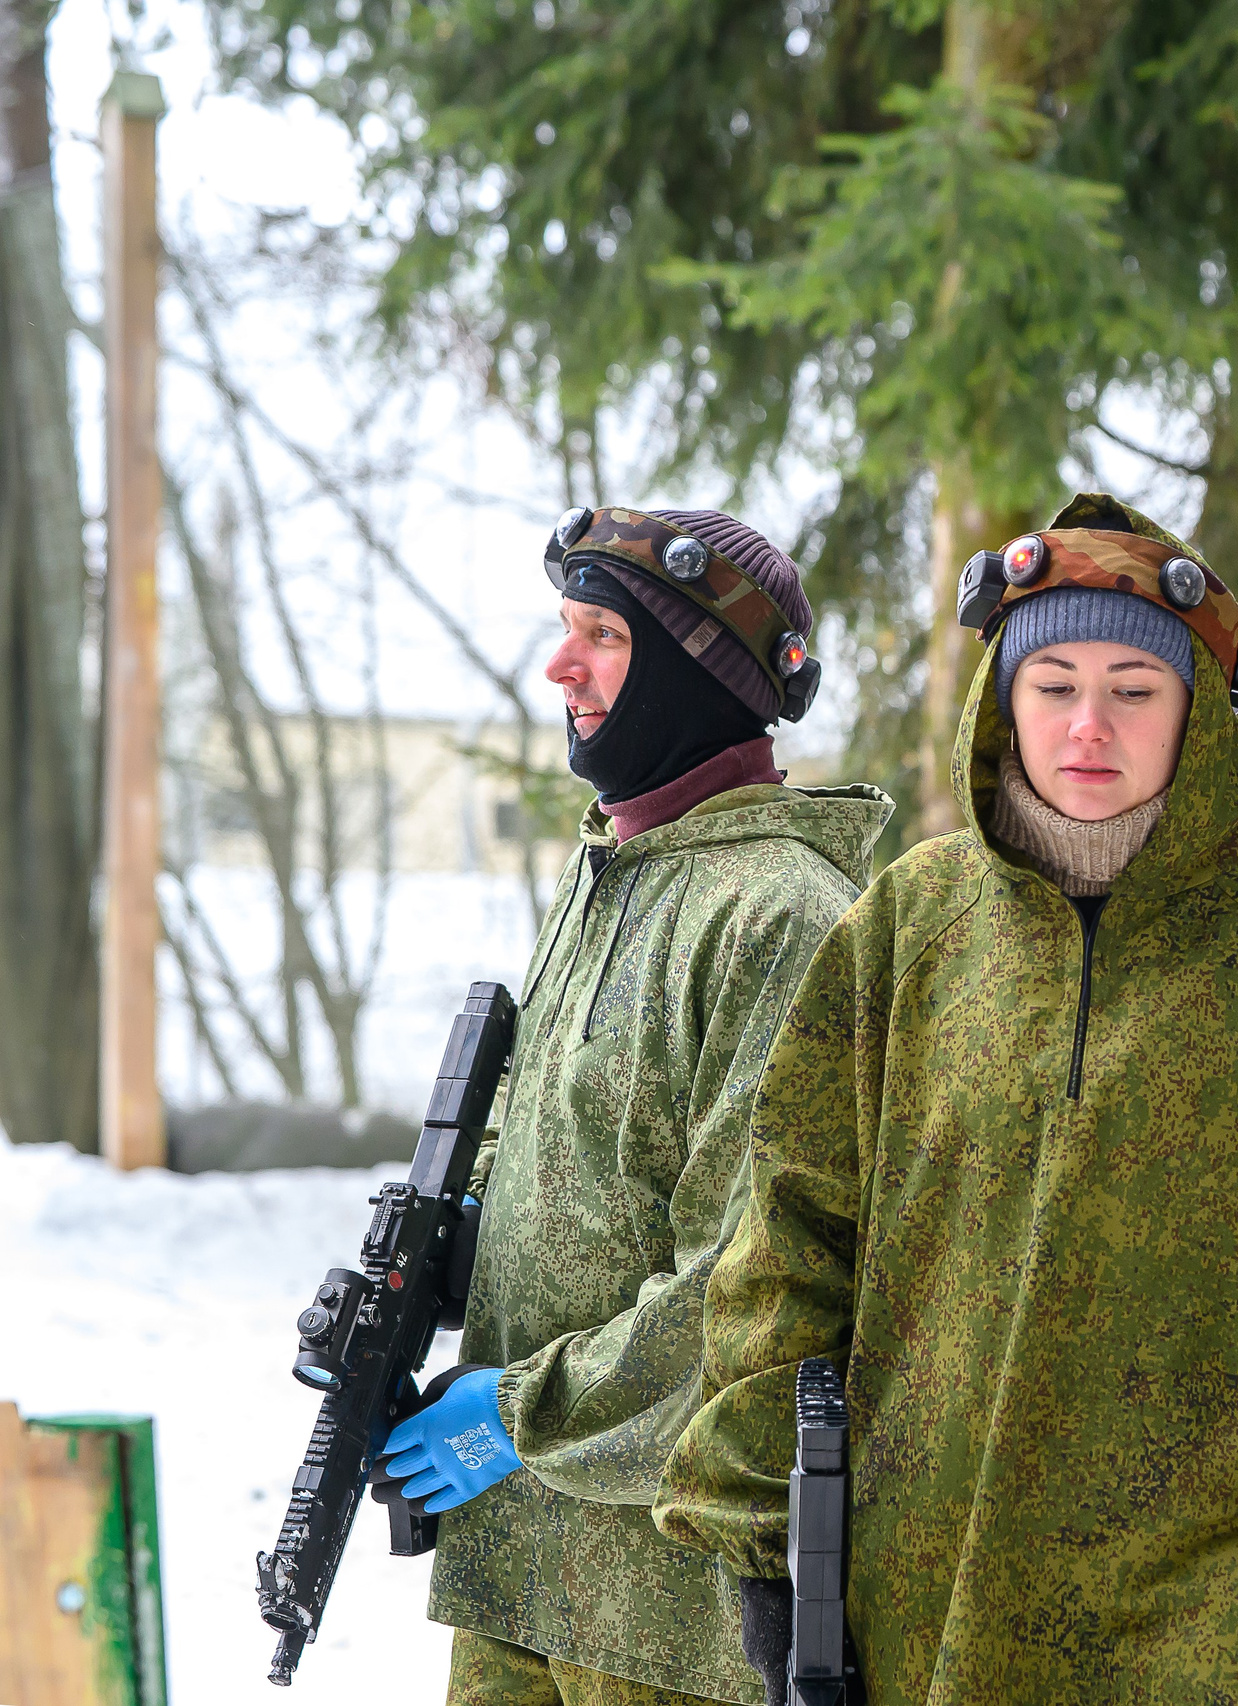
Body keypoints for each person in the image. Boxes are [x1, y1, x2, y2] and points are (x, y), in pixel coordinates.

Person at [652, 492, 1238, 1706]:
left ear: (1197, 707)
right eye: (1054, 684)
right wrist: (767, 1545)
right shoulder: (908, 925)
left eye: (1135, 688)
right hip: (924, 1622)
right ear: (1002, 701)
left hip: (1225, 1637)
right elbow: (790, 1243)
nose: (1090, 724)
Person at [377, 507, 892, 1706]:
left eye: (602, 636)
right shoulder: (612, 869)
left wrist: (515, 1414)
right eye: (565, 629)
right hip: (519, 1571)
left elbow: (747, 1285)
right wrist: (446, 1250)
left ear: (700, 672)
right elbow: (568, 1157)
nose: (560, 667)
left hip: (671, 1617)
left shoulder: (777, 914)